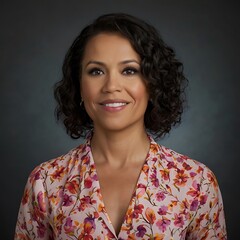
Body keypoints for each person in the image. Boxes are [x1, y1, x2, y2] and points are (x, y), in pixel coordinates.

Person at [15, 13, 227, 239]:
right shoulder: (45, 182)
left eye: (129, 70)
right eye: (96, 71)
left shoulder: (198, 182)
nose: (111, 86)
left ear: (153, 83)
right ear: (79, 86)